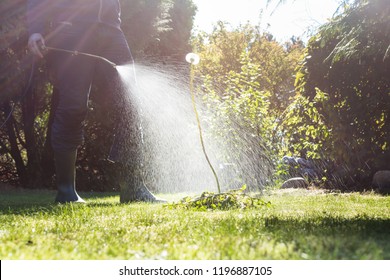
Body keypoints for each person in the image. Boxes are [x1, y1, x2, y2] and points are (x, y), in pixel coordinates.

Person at [27, 0, 164, 203]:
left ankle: (133, 188)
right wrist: (35, 29)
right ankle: (66, 192)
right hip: (72, 28)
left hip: (111, 29)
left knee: (131, 102)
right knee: (73, 107)